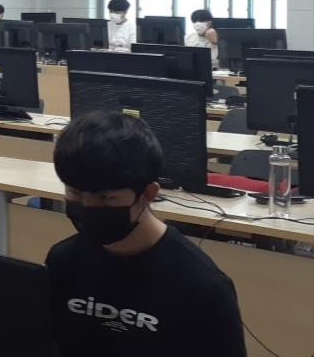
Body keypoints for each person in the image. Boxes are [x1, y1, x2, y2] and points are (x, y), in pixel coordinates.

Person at [47, 112, 246, 357]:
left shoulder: (203, 287)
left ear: (148, 194)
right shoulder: (63, 259)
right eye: (75, 193)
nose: (87, 207)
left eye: (105, 197)